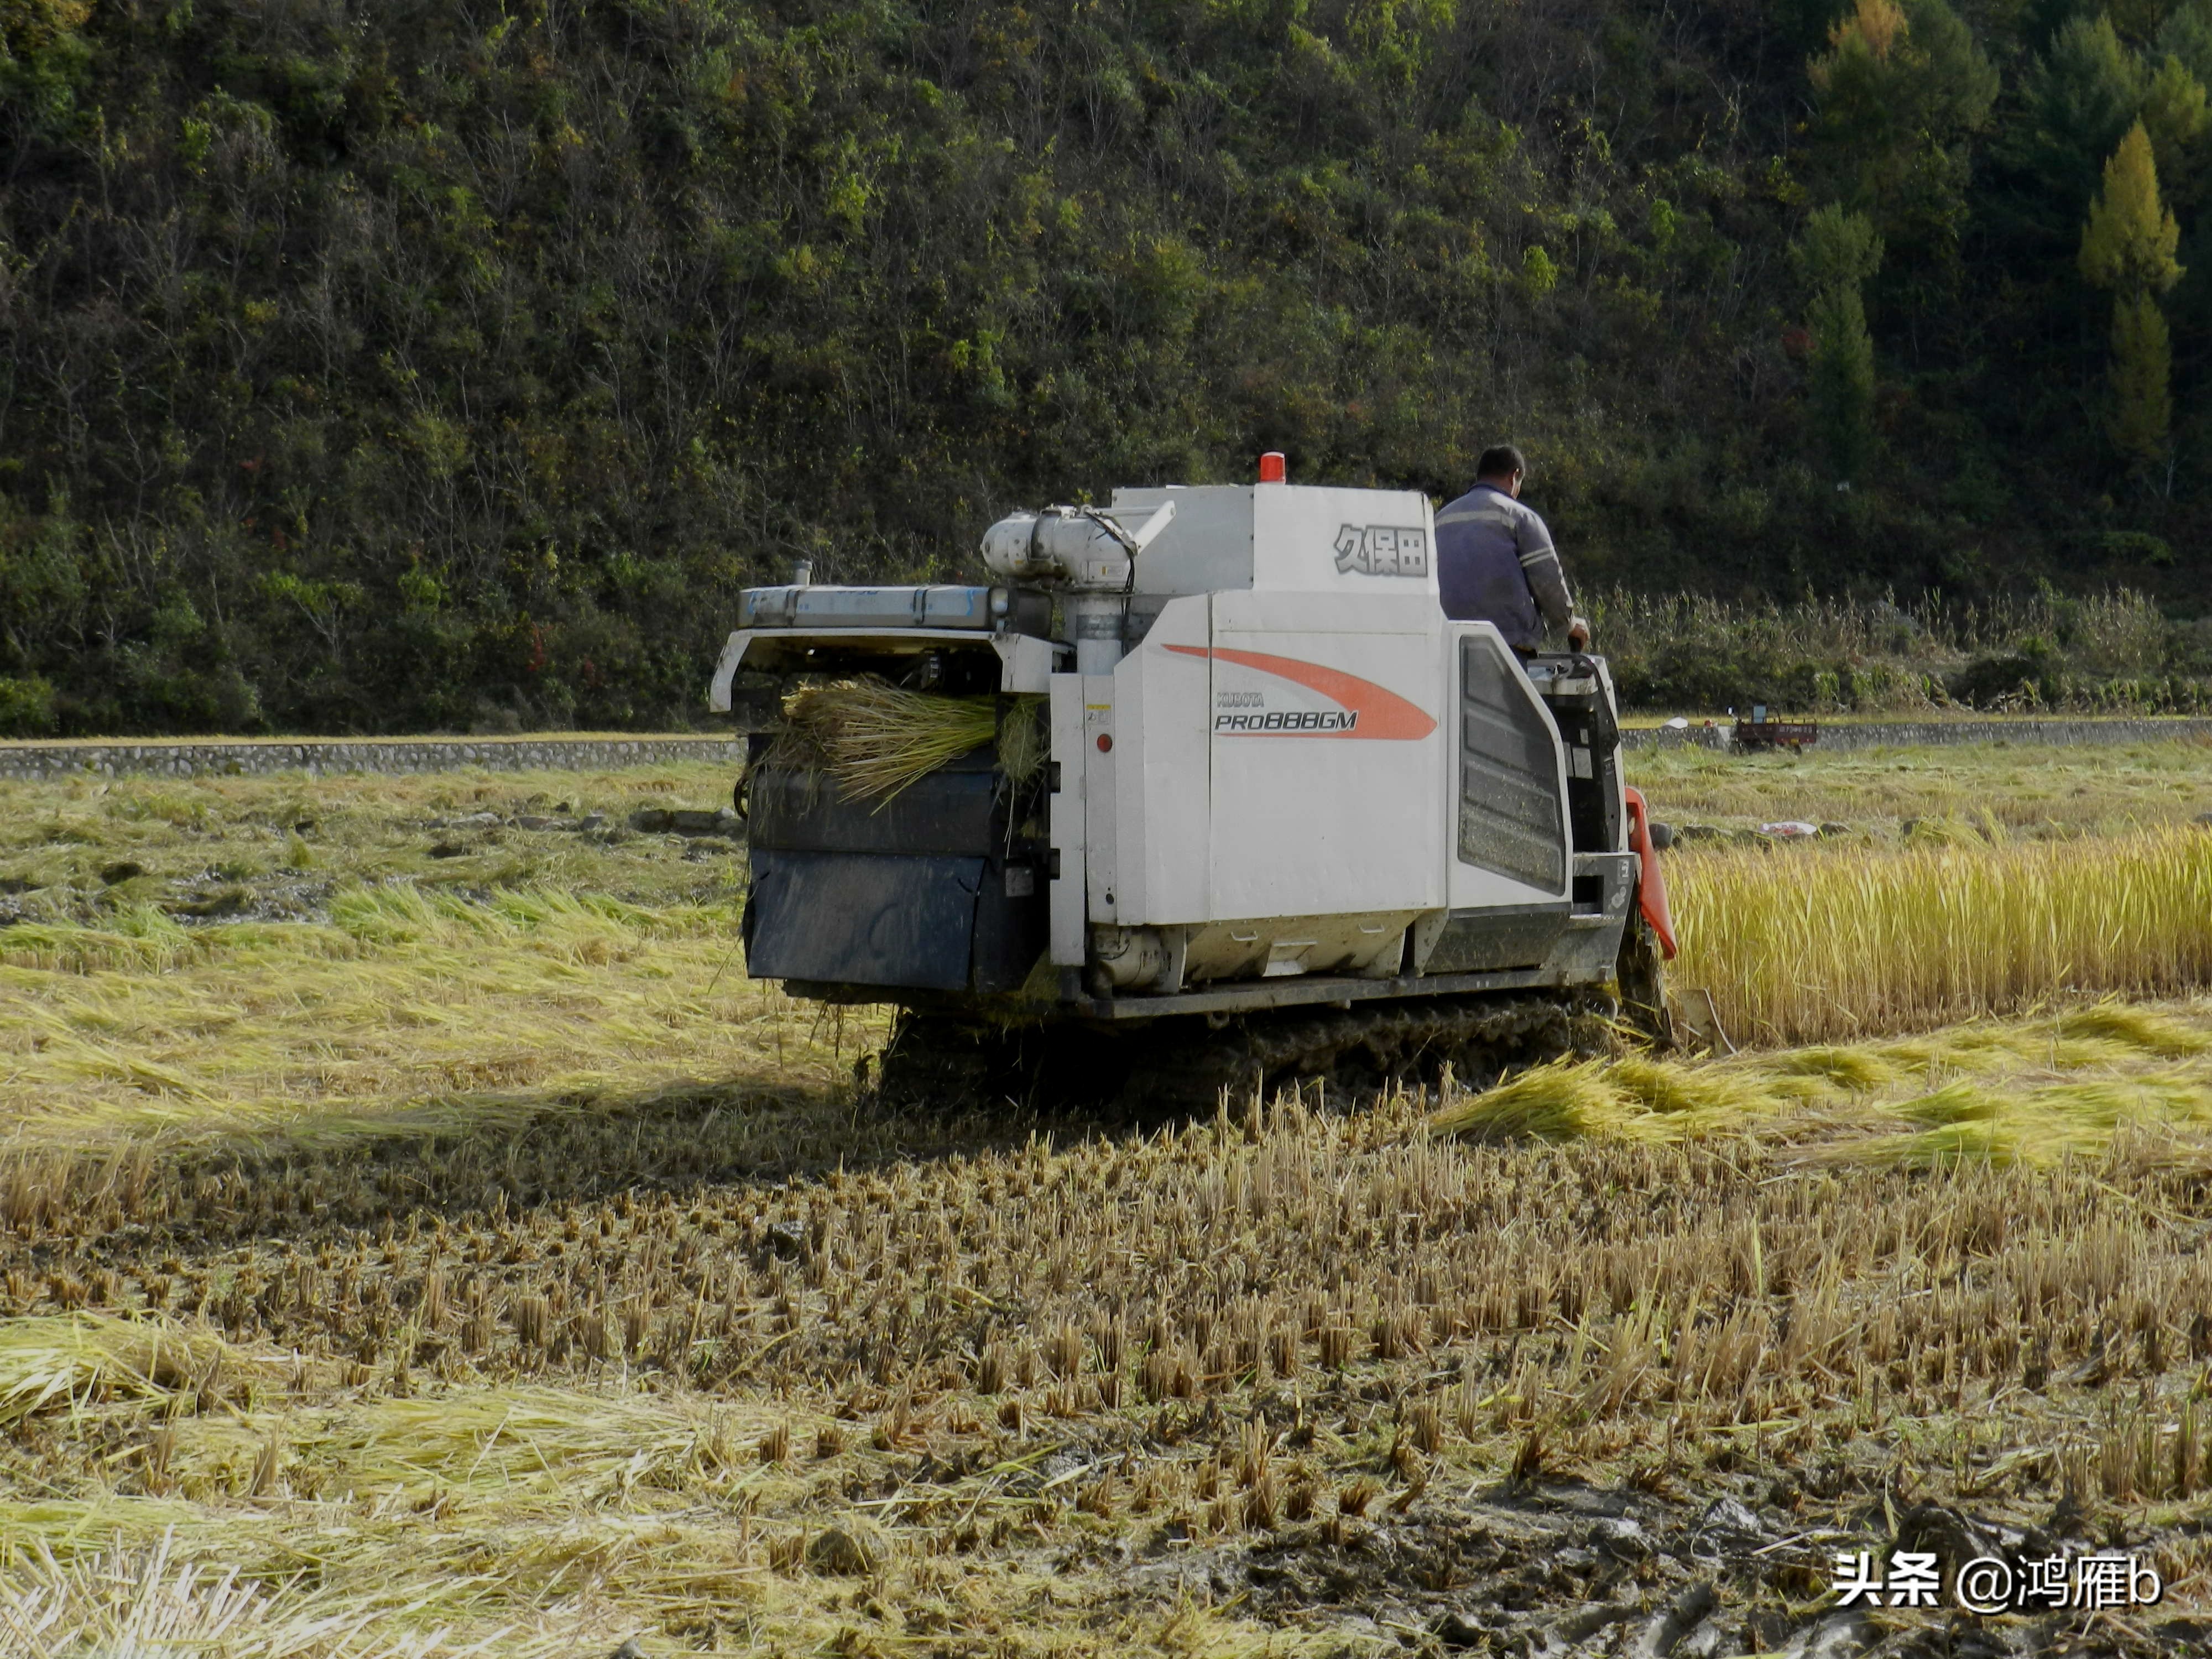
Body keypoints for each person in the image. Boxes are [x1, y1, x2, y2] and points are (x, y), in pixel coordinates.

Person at [1434, 445, 1590, 654]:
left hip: (1447, 646)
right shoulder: (1521, 518)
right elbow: (1547, 581)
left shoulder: (1441, 519)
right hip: (1504, 648)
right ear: (1514, 476)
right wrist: (1569, 625)